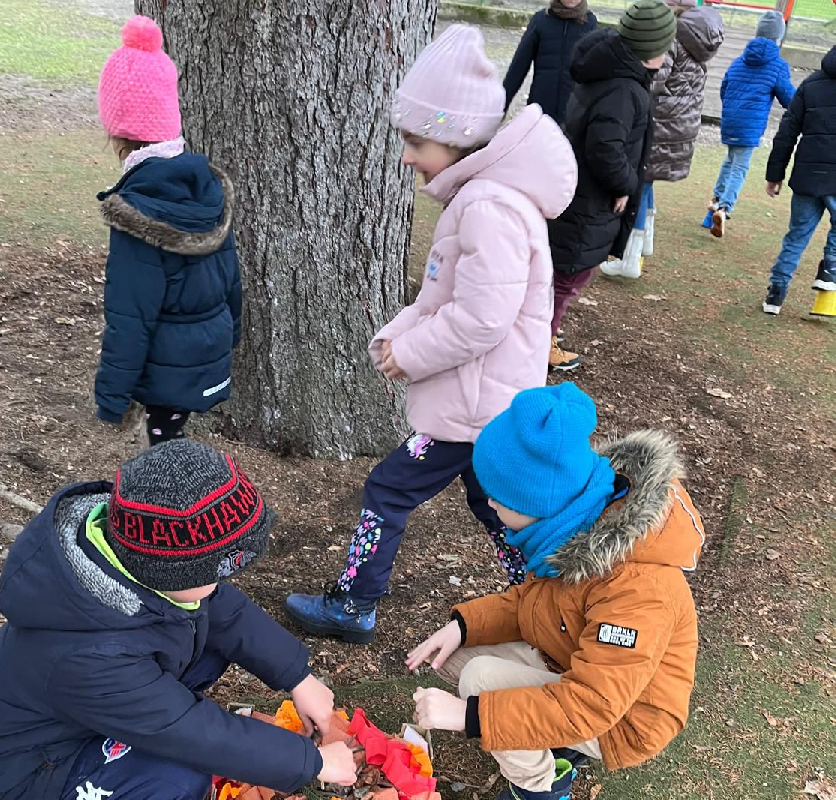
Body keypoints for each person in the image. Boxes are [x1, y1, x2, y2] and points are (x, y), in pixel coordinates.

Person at [0, 441, 358, 800]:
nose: (221, 585)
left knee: (208, 638)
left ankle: (132, 739)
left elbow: (221, 610)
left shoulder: (139, 563)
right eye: (217, 572)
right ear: (169, 572)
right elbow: (190, 732)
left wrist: (298, 676)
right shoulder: (90, 656)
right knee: (181, 780)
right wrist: (311, 762)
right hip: (30, 766)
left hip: (93, 708)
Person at [284, 24, 577, 645]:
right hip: (486, 405)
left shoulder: (489, 207)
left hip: (474, 410)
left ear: (454, 137)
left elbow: (482, 317)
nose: (407, 156)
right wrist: (399, 336)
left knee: (390, 489)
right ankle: (551, 608)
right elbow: (443, 297)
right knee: (494, 508)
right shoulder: (484, 199)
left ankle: (355, 604)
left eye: (416, 142)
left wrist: (411, 354)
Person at [407, 382, 704, 800]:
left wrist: (470, 716)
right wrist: (462, 626)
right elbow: (535, 604)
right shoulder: (573, 521)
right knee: (459, 657)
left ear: (536, 501)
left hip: (625, 717)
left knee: (480, 682)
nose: (490, 505)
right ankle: (552, 742)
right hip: (576, 664)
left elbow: (592, 704)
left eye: (499, 497)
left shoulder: (637, 588)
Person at [94, 17, 242, 446]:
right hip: (203, 357)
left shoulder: (137, 213)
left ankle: (168, 489)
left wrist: (112, 397)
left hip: (165, 369)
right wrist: (228, 342)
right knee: (169, 438)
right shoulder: (206, 190)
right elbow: (231, 282)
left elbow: (129, 319)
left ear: (117, 131)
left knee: (160, 455)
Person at [546, 0, 677, 371]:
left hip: (579, 196)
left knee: (563, 275)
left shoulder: (610, 74)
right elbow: (605, 147)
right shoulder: (623, 89)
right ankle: (540, 344)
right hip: (588, 203)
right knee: (567, 278)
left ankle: (543, 333)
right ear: (652, 50)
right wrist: (624, 184)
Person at [602, 0, 724, 279]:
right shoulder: (699, 35)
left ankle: (629, 258)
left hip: (659, 124)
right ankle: (645, 241)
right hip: (680, 126)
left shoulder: (671, 37)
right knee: (647, 182)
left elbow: (654, 81)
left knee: (640, 184)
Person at [704, 11, 794, 238]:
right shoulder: (777, 65)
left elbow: (724, 88)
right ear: (778, 37)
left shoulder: (739, 61)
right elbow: (789, 98)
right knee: (740, 167)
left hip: (731, 120)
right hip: (750, 125)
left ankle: (713, 206)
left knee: (729, 161)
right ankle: (725, 208)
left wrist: (732, 109)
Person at [763, 45, 836, 314]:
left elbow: (787, 131)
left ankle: (775, 293)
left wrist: (775, 174)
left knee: (796, 236)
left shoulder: (810, 84)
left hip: (808, 174)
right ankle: (830, 270)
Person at [503, 0, 599, 125]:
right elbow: (518, 67)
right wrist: (500, 107)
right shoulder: (541, 20)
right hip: (539, 107)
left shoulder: (590, 22)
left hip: (572, 112)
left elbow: (593, 72)